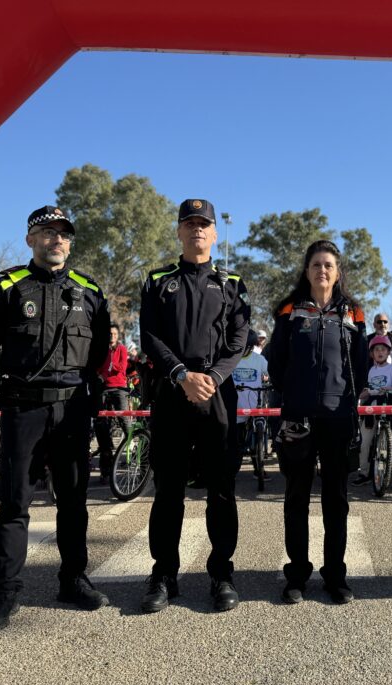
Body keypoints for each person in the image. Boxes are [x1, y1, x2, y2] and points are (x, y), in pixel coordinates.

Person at [0, 205, 111, 632]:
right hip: (23, 409)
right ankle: (5, 592)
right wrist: (9, 386)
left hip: (70, 410)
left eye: (64, 234)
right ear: (30, 239)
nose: (57, 240)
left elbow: (100, 352)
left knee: (73, 502)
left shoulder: (90, 292)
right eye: (48, 233)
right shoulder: (7, 289)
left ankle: (73, 580)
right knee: (15, 503)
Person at [138, 198, 250, 613]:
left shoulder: (233, 282)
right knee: (168, 489)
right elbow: (149, 335)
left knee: (222, 489)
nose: (197, 230)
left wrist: (213, 378)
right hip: (172, 391)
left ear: (215, 233)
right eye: (190, 224)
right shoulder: (157, 280)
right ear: (179, 231)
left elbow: (239, 339)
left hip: (217, 394)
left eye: (204, 224)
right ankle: (164, 573)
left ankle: (221, 573)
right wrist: (182, 375)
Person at [268, 240, 368, 604]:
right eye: (315, 265)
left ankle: (335, 575)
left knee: (336, 500)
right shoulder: (289, 309)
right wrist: (295, 395)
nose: (322, 270)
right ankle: (296, 574)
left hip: (339, 418)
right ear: (306, 270)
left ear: (337, 272)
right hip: (298, 418)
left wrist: (343, 397)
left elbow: (361, 363)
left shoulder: (353, 312)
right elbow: (276, 361)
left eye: (328, 265)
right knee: (296, 498)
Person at [358, 334, 392, 490]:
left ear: (389, 352)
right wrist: (360, 396)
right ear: (372, 354)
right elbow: (368, 390)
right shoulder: (371, 371)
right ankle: (364, 474)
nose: (380, 352)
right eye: (376, 350)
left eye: (383, 349)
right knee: (364, 442)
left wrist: (387, 389)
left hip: (386, 407)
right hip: (371, 409)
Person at [229, 328, 269, 480]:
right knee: (236, 442)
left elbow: (269, 371)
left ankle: (259, 467)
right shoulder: (231, 360)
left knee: (257, 435)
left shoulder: (259, 360)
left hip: (255, 405)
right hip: (236, 408)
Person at [93, 323, 130, 479]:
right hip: (104, 387)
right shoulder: (102, 349)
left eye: (114, 334)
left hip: (119, 387)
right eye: (110, 334)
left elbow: (122, 368)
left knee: (124, 419)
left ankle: (131, 446)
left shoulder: (121, 349)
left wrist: (110, 366)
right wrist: (102, 372)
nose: (112, 336)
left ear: (118, 336)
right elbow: (98, 367)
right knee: (100, 422)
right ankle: (105, 466)